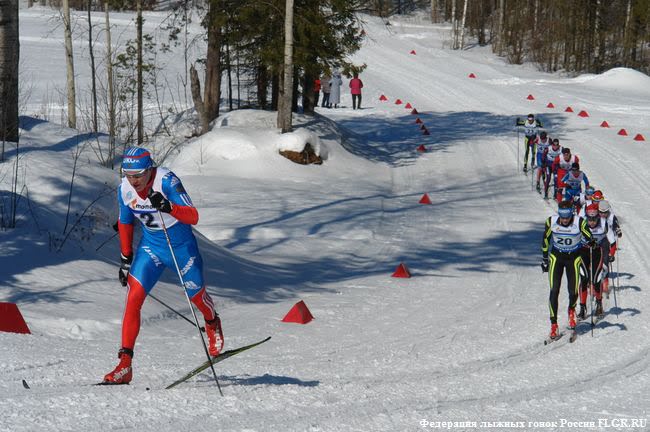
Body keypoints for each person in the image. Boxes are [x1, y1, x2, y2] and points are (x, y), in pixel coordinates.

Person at [103, 147, 224, 384]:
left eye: (138, 175)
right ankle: (124, 365)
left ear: (150, 169)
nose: (134, 181)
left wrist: (168, 207)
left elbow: (193, 216)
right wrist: (126, 259)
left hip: (181, 248)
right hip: (151, 248)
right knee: (133, 298)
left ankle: (212, 322)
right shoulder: (124, 188)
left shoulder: (167, 181)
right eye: (128, 175)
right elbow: (125, 221)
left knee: (197, 296)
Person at [541, 200, 593, 339]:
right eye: (562, 217)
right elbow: (545, 239)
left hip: (573, 258)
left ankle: (571, 310)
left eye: (567, 217)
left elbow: (588, 235)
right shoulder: (551, 221)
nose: (564, 220)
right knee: (554, 290)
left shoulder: (579, 222)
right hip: (556, 257)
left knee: (573, 290)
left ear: (572, 214)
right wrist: (545, 258)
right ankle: (554, 325)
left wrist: (591, 241)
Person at [577, 204, 615, 319]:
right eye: (589, 219)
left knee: (596, 279)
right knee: (584, 279)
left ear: (598, 216)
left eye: (594, 219)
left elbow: (612, 241)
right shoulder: (581, 223)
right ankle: (582, 307)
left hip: (597, 252)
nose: (592, 222)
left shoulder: (603, 223)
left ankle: (599, 304)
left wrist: (611, 254)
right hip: (583, 251)